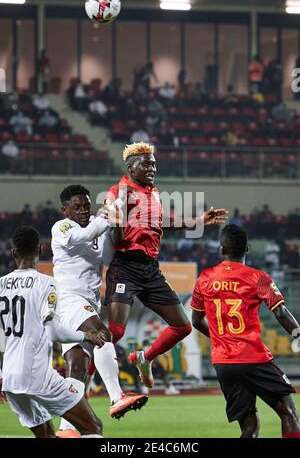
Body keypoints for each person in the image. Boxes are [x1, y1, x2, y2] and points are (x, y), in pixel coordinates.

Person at [104, 142, 228, 389]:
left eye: (153, 164)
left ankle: (144, 358)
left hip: (150, 269)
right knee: (115, 332)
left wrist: (199, 221)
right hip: (125, 266)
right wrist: (119, 216)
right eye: (146, 164)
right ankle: (80, 382)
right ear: (131, 167)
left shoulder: (153, 192)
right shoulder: (119, 191)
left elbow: (163, 221)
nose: (151, 168)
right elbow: (115, 240)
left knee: (183, 326)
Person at [51, 185, 147, 438]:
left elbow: (105, 256)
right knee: (102, 335)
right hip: (69, 299)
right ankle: (117, 396)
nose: (83, 211)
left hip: (87, 302)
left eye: (86, 206)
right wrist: (111, 211)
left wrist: (115, 222)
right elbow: (83, 237)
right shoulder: (62, 228)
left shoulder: (95, 225)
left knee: (78, 367)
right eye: (77, 207)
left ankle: (66, 427)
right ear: (65, 210)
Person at [191, 224, 300, 438]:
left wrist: (220, 339)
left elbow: (195, 320)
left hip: (223, 362)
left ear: (221, 250)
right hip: (252, 357)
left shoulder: (205, 278)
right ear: (247, 249)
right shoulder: (258, 278)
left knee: (249, 426)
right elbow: (281, 313)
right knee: (289, 414)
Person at [0, 226, 105, 438]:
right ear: (40, 250)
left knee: (46, 435)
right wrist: (86, 335)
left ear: (13, 253)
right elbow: (54, 333)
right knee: (92, 426)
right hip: (37, 376)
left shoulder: (1, 285)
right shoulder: (47, 284)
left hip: (10, 379)